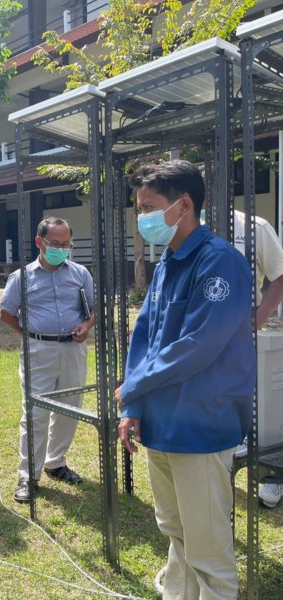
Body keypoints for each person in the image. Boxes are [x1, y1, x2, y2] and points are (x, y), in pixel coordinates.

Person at [118, 160, 255, 600]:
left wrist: (134, 386)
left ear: (184, 205)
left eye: (149, 207)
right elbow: (145, 335)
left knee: (208, 549)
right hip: (161, 423)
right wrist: (133, 406)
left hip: (201, 424)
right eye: (139, 208)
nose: (142, 217)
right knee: (176, 531)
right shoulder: (167, 263)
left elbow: (199, 345)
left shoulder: (220, 262)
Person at [0, 216, 95, 503]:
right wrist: (30, 335)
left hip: (72, 349)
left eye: (66, 244)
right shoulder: (22, 277)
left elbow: (92, 310)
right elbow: (6, 312)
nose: (61, 249)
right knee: (35, 412)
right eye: (55, 244)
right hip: (38, 350)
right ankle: (29, 476)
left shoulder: (80, 274)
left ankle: (55, 462)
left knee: (69, 408)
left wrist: (86, 326)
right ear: (39, 242)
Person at [202, 208, 283, 508]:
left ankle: (271, 476)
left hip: (238, 334)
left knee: (259, 405)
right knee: (211, 403)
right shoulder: (185, 224)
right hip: (199, 334)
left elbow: (279, 277)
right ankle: (215, 470)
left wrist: (257, 319)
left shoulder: (254, 227)